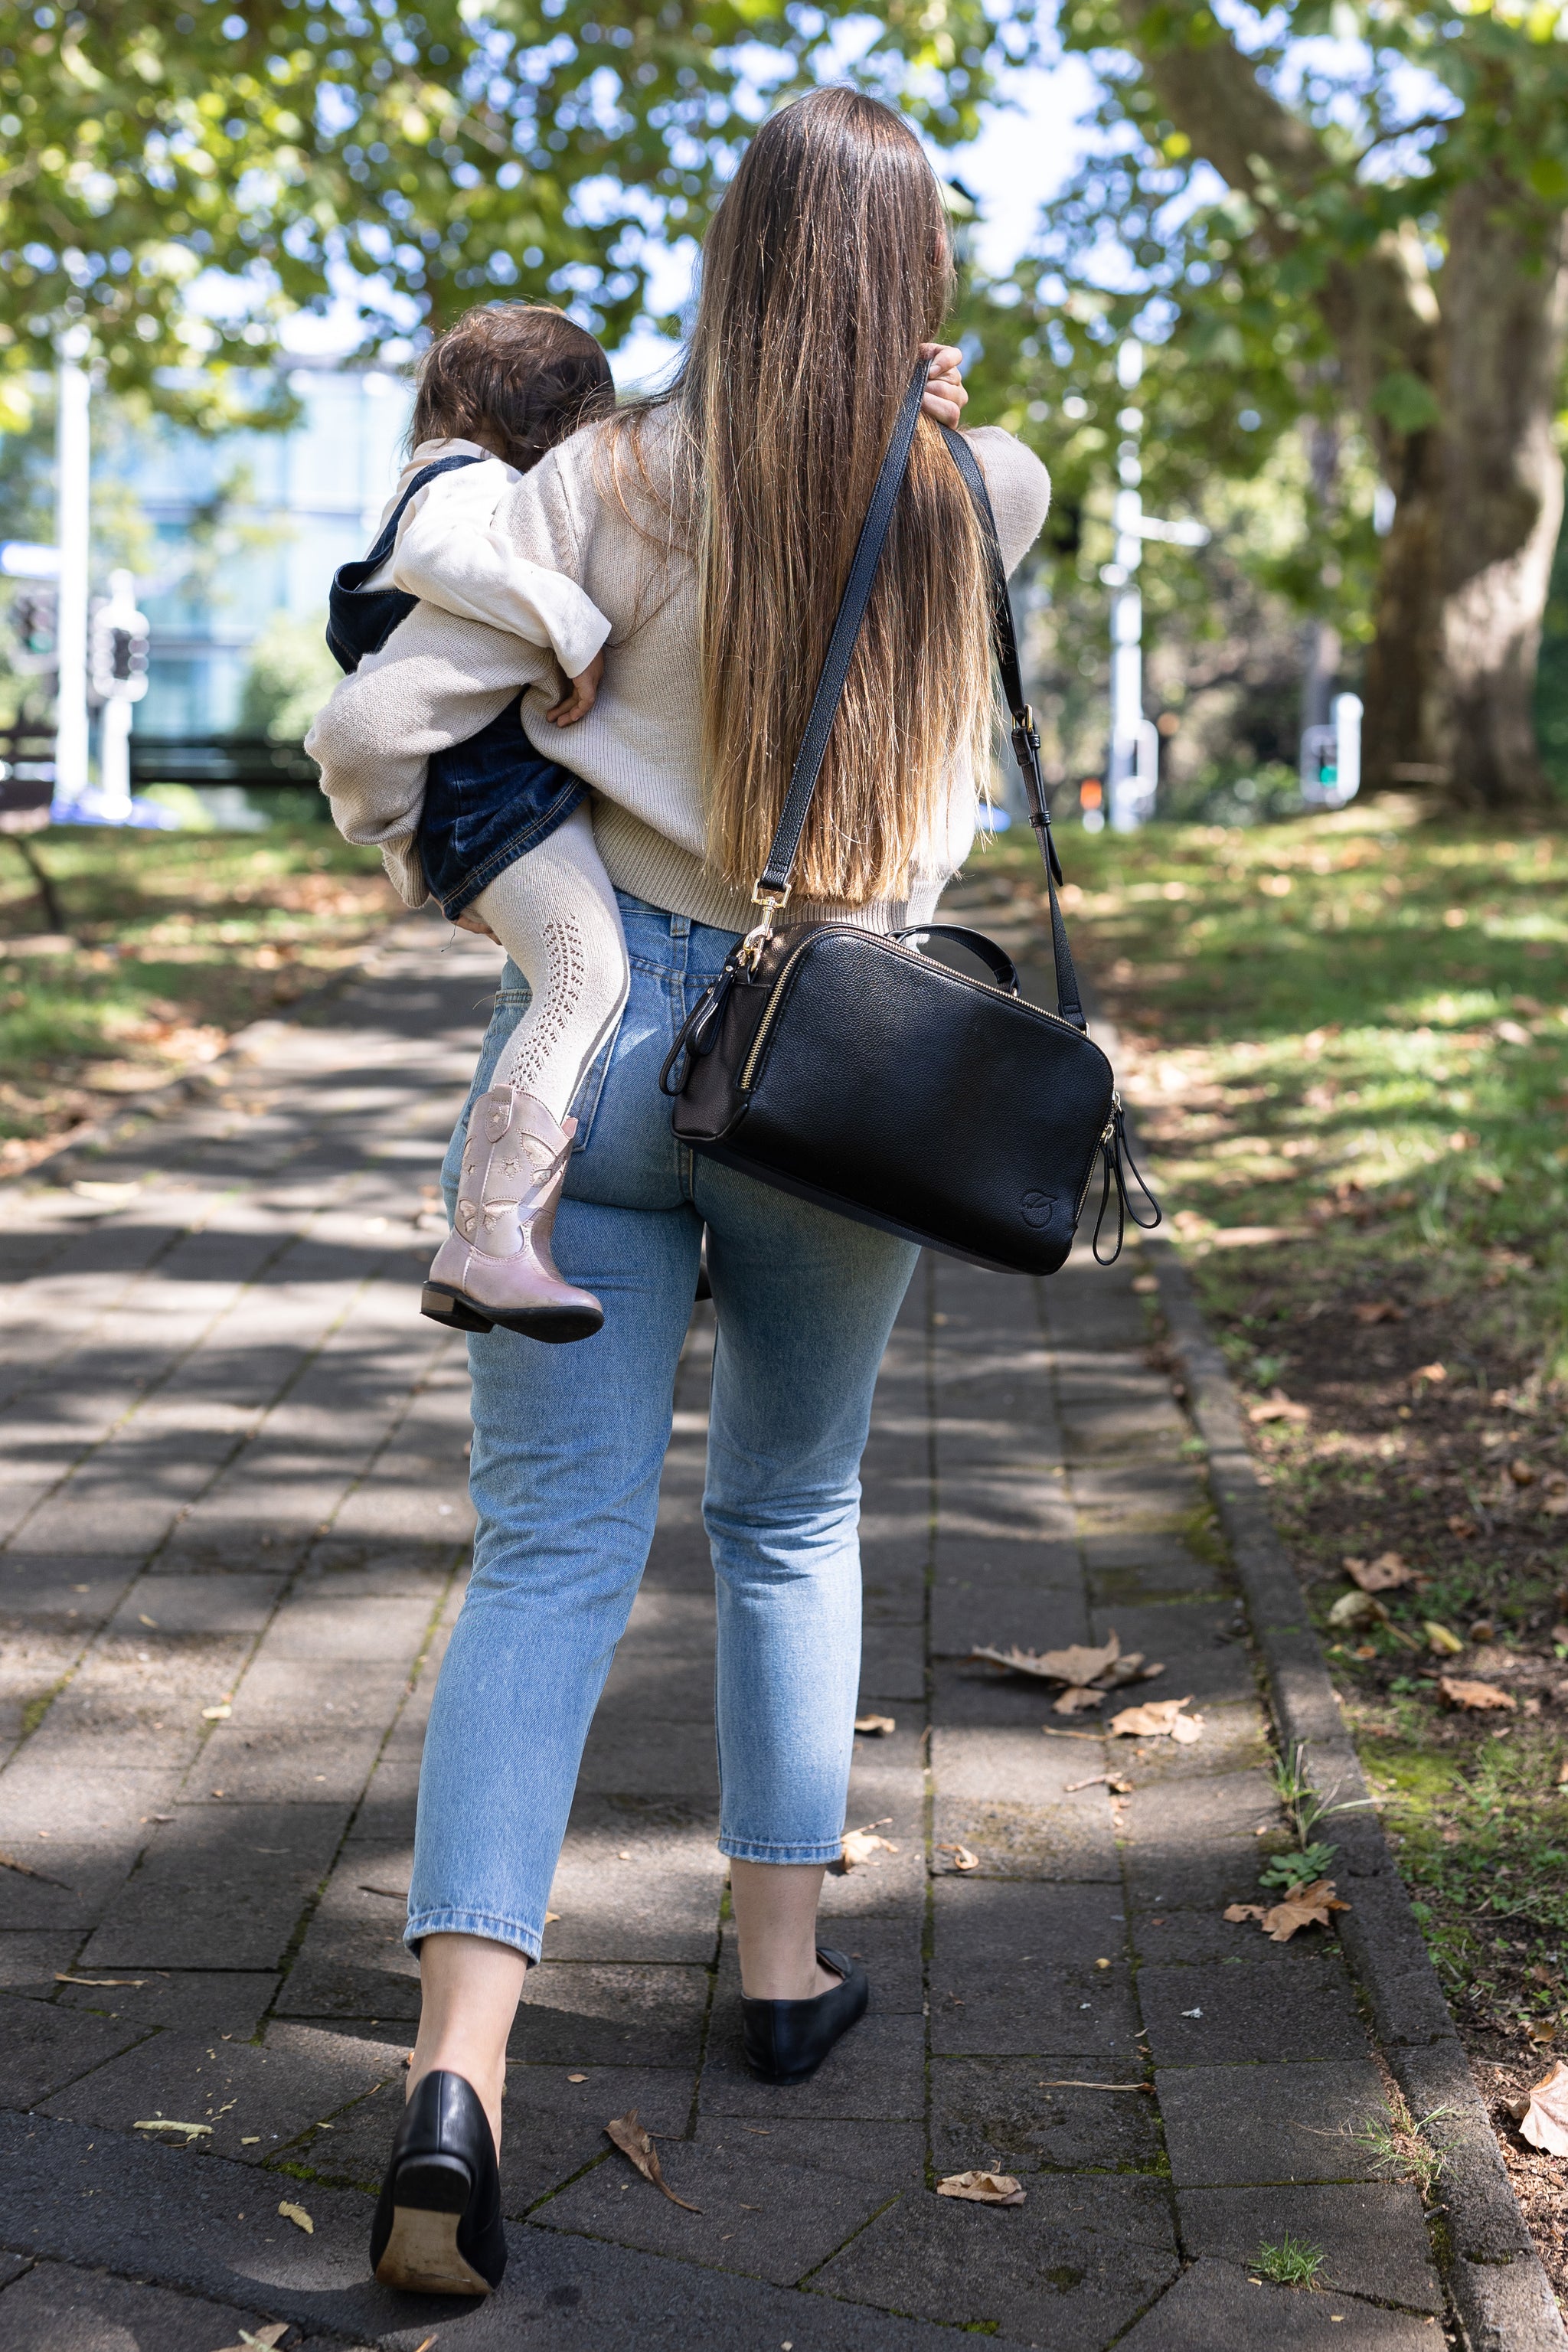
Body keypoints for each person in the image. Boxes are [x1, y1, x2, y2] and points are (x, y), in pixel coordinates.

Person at [305, 84, 1048, 2301]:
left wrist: (551, 700)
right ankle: (784, 1968)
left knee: (544, 1559)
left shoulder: (600, 477)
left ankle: (456, 2082)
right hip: (847, 1063)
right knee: (792, 1518)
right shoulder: (983, 488)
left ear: (726, 259)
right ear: (921, 282)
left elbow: (386, 724)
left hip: (605, 1032)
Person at [324, 301, 629, 1341]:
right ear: (552, 426)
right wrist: (575, 627)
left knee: (590, 977)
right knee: (587, 975)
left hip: (486, 802)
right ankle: (492, 1237)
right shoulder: (466, 485)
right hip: (500, 800)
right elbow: (449, 565)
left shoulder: (439, 481)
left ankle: (511, 1233)